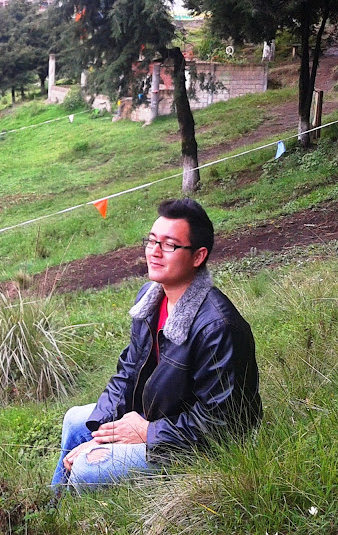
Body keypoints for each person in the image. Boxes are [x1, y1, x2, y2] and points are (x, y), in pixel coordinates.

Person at [51, 198, 262, 491]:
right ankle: (57, 507)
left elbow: (223, 424)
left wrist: (148, 432)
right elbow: (127, 373)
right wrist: (100, 432)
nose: (154, 251)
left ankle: (83, 505)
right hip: (162, 417)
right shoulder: (149, 299)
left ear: (198, 256)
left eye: (170, 245)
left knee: (87, 467)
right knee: (77, 420)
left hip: (201, 448)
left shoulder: (218, 327)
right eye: (151, 241)